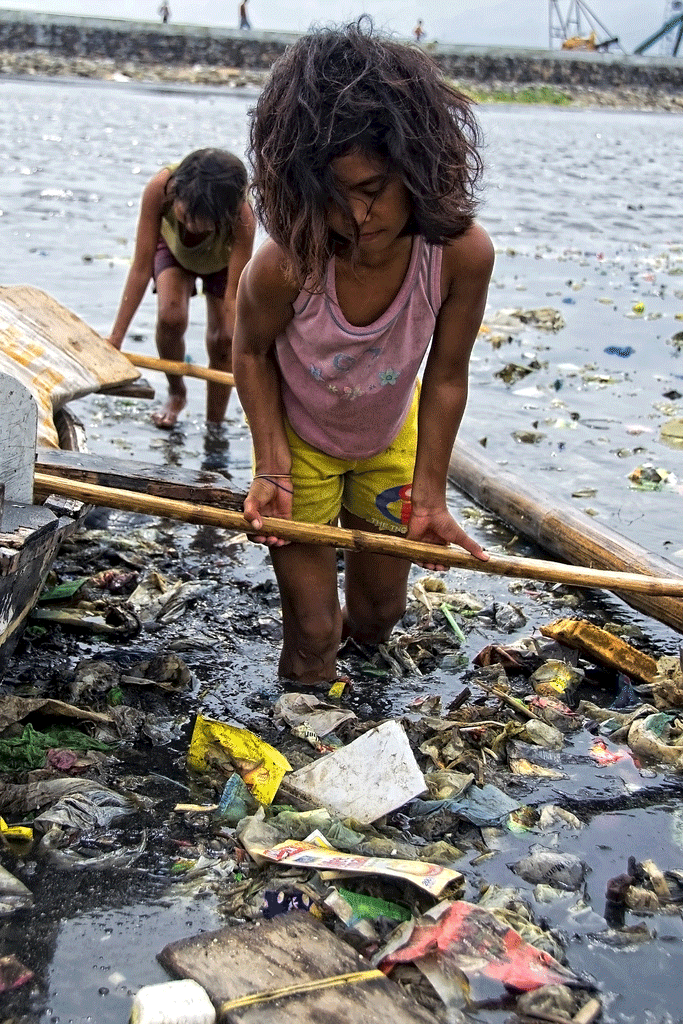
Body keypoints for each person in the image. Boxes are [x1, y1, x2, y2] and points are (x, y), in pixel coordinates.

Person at [233, 20, 493, 687]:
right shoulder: (287, 263)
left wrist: (431, 495)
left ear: (418, 171)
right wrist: (271, 466)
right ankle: (301, 721)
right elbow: (251, 352)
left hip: (388, 438)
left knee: (379, 615)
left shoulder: (458, 255)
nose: (356, 215)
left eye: (373, 188)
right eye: (334, 193)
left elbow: (445, 377)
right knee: (313, 633)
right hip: (300, 446)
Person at [108, 148, 255, 429]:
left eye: (202, 223)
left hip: (222, 262)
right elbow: (140, 268)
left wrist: (245, 354)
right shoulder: (160, 188)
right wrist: (116, 338)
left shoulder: (242, 217)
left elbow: (234, 295)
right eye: (185, 216)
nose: (191, 226)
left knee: (224, 339)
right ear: (176, 192)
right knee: (171, 317)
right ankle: (177, 393)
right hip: (174, 251)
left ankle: (214, 424)